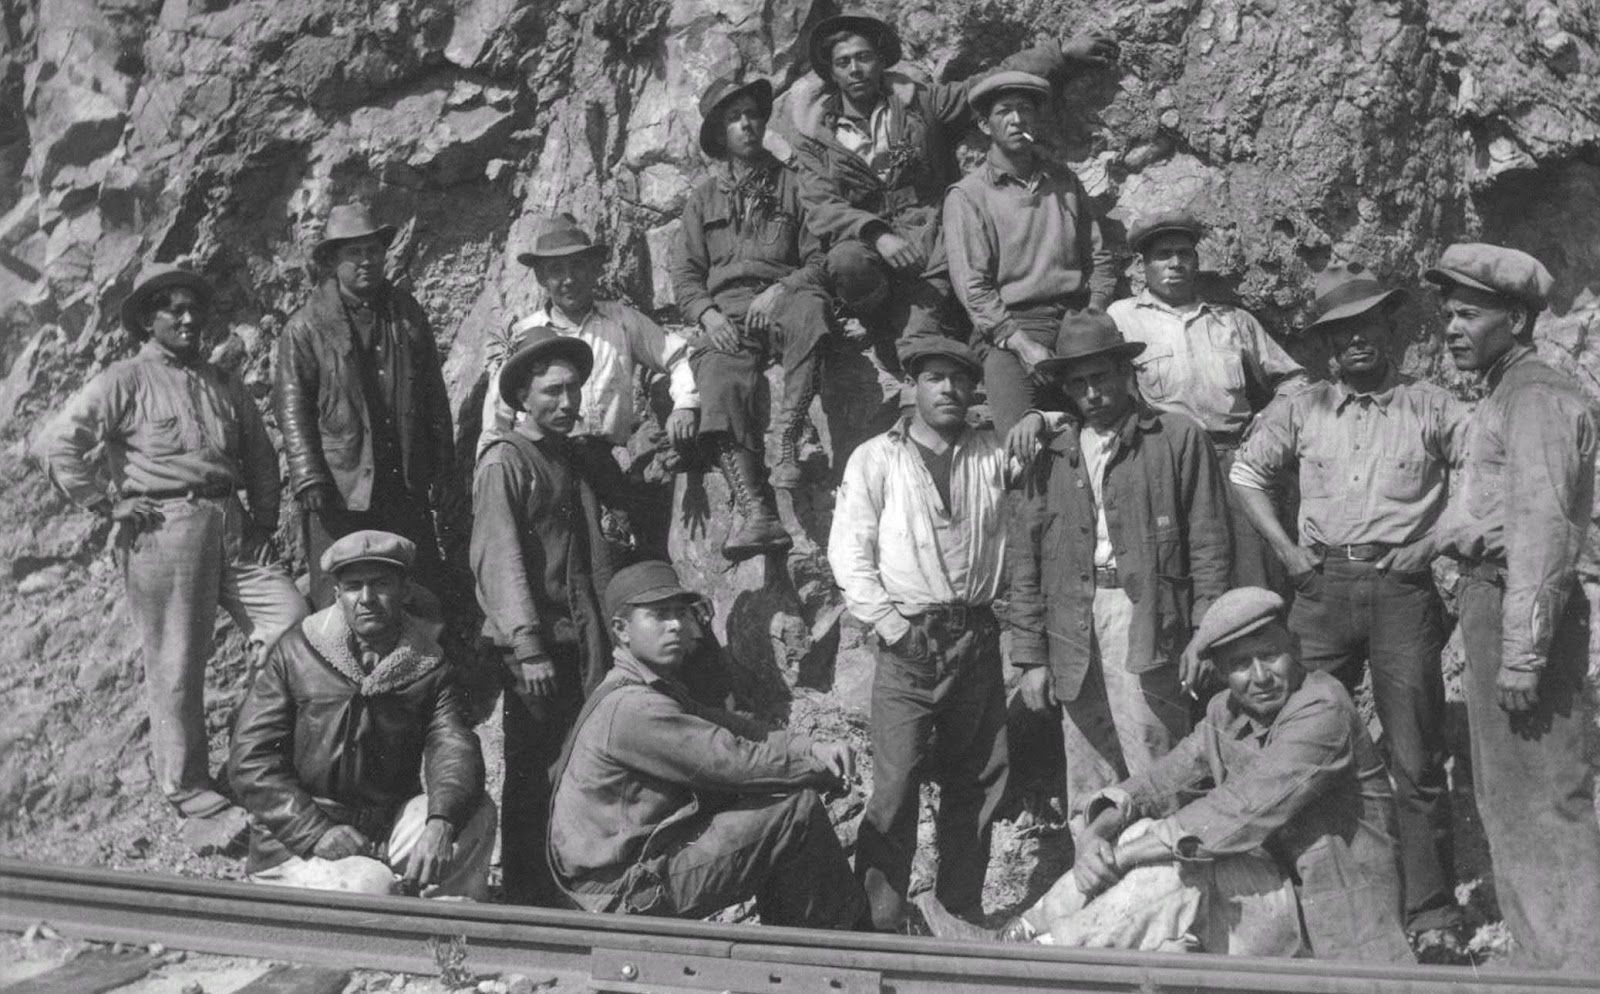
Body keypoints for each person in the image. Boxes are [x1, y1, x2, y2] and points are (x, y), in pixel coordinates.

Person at [920, 587, 1412, 963]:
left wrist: (1125, 853)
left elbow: (1238, 812)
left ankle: (1042, 959)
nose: (1260, 676)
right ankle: (1021, 935)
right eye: (1240, 664)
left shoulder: (1323, 709)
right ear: (1220, 672)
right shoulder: (1225, 713)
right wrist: (1098, 831)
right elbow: (1159, 783)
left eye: (1271, 654)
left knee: (1176, 860)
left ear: (1296, 647)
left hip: (1326, 925)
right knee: (1137, 832)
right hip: (1257, 903)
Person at [1228, 264, 1467, 939]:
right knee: (1294, 741)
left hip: (1402, 594)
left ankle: (1430, 918)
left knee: (1416, 758)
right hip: (1320, 590)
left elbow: (1489, 476)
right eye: (1342, 331)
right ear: (1326, 345)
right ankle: (1291, 909)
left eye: (1368, 325)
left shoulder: (1434, 407)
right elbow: (1246, 473)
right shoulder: (1303, 407)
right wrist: (1286, 551)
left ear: (1389, 329)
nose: (1357, 340)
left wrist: (1437, 541)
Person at [39, 263, 307, 852]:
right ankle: (186, 787)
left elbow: (262, 457)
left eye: (194, 309)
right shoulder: (124, 380)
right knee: (176, 660)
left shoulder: (223, 382)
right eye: (172, 310)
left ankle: (252, 754)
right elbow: (60, 443)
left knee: (292, 624)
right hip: (163, 527)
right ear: (148, 322)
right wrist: (108, 504)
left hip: (230, 521)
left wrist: (261, 520)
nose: (188, 319)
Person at [1425, 243, 1600, 971]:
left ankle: (1575, 964)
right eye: (1448, 314)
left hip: (1521, 611)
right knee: (1508, 793)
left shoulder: (1534, 397)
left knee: (1545, 793)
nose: (1452, 328)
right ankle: (1544, 955)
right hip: (1494, 605)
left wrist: (1524, 654)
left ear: (1517, 318)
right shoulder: (1505, 392)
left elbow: (1541, 530)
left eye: (1469, 313)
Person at [549, 561, 867, 928]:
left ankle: (803, 950)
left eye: (681, 614)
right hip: (619, 891)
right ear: (621, 630)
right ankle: (832, 949)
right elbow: (734, 762)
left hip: (622, 871)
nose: (676, 626)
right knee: (794, 811)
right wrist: (815, 766)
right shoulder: (633, 707)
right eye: (659, 615)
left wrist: (806, 746)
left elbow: (729, 727)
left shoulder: (645, 686)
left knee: (779, 809)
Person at [789, 10, 1117, 352]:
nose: (855, 69)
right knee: (846, 264)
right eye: (843, 62)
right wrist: (877, 233)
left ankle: (925, 322)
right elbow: (821, 204)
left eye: (864, 57)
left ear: (881, 60)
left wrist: (1060, 53)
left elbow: (989, 81)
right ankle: (876, 315)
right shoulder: (815, 135)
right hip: (867, 244)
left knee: (926, 331)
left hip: (930, 238)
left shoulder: (921, 104)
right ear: (831, 72)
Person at [1009, 313, 1230, 819]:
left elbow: (1209, 545)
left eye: (1101, 377)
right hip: (1073, 623)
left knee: (1157, 757)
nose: (1092, 392)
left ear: (1125, 374)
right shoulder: (1052, 453)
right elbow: (1027, 560)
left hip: (1149, 616)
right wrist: (1031, 656)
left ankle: (1170, 885)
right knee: (1086, 769)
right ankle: (1097, 888)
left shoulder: (1176, 438)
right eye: (1079, 382)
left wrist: (1205, 633)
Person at [827, 337, 1010, 930]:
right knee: (897, 784)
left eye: (961, 380)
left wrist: (1033, 415)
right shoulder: (876, 458)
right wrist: (892, 627)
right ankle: (877, 919)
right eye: (936, 379)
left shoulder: (992, 451)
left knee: (977, 778)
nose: (950, 390)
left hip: (977, 637)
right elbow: (849, 554)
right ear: (913, 386)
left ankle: (959, 910)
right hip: (911, 640)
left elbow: (1050, 436)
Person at [228, 530, 493, 899]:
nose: (366, 599)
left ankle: (448, 936)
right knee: (371, 886)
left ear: (405, 590)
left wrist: (441, 822)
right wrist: (314, 831)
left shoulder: (429, 665)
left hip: (380, 831)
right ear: (337, 593)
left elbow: (452, 745)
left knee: (473, 814)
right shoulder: (295, 652)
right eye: (353, 586)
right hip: (294, 839)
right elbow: (250, 760)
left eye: (381, 584)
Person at [471, 326, 614, 906]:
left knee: (573, 766)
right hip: (535, 647)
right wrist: (526, 646)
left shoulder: (569, 458)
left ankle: (564, 886)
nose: (567, 402)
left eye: (574, 390)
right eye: (552, 391)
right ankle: (530, 895)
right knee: (534, 771)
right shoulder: (507, 462)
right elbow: (498, 556)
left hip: (575, 636)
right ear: (522, 398)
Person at [671, 74, 831, 558]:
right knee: (717, 378)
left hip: (780, 301)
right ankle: (757, 512)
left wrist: (782, 289)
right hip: (728, 317)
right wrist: (708, 314)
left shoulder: (792, 185)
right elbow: (684, 274)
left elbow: (820, 261)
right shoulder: (703, 198)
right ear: (720, 133)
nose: (747, 125)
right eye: (735, 118)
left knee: (812, 311)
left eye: (753, 116)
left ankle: (785, 445)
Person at [1106, 212, 1306, 589]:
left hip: (1231, 461)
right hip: (1163, 461)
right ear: (1142, 265)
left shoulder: (1233, 320)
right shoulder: (1122, 319)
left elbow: (1295, 379)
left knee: (1251, 569)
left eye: (1184, 254)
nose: (1176, 263)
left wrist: (1267, 420)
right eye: (1164, 255)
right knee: (1173, 568)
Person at [480, 214, 698, 557]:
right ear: (540, 278)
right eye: (556, 270)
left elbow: (678, 355)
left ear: (596, 268)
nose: (568, 280)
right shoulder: (525, 335)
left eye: (578, 266)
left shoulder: (621, 321)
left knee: (621, 551)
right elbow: (497, 421)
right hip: (544, 465)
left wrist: (685, 404)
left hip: (604, 464)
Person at [275, 204, 457, 608]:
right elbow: (292, 408)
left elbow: (433, 396)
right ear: (331, 262)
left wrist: (444, 468)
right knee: (338, 594)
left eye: (373, 250)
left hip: (403, 480)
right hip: (340, 485)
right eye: (354, 253)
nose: (367, 261)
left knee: (418, 588)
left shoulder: (406, 313)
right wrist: (309, 478)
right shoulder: (305, 326)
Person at [943, 71, 1115, 435]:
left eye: (1025, 110)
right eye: (1005, 111)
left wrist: (1095, 312)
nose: (1017, 120)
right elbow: (973, 287)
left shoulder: (1065, 182)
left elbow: (1098, 257)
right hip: (1012, 328)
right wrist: (1022, 345)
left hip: (1075, 320)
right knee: (1021, 447)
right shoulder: (968, 195)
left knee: (1106, 432)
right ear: (985, 125)